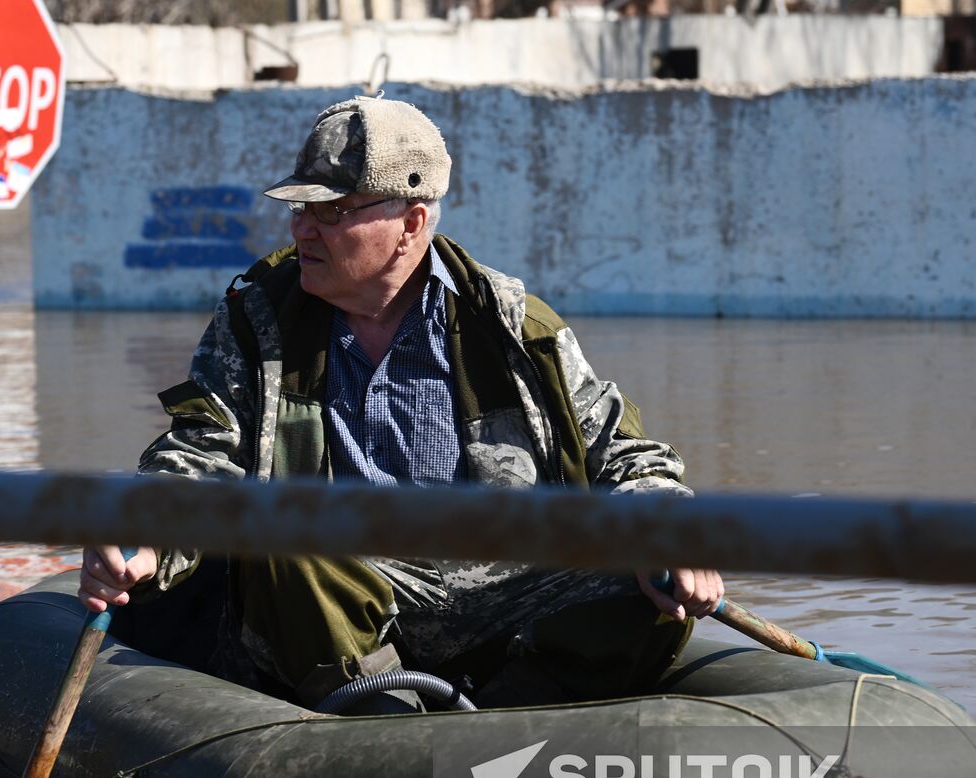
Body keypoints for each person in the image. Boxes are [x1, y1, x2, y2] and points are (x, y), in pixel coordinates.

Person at [79, 95, 723, 711]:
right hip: (343, 589)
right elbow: (200, 452)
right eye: (300, 208)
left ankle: (517, 709)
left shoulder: (515, 328)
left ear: (411, 221)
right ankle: (390, 724)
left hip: (497, 591)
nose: (303, 226)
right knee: (283, 536)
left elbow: (625, 451)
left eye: (332, 212)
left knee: (643, 586)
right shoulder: (259, 321)